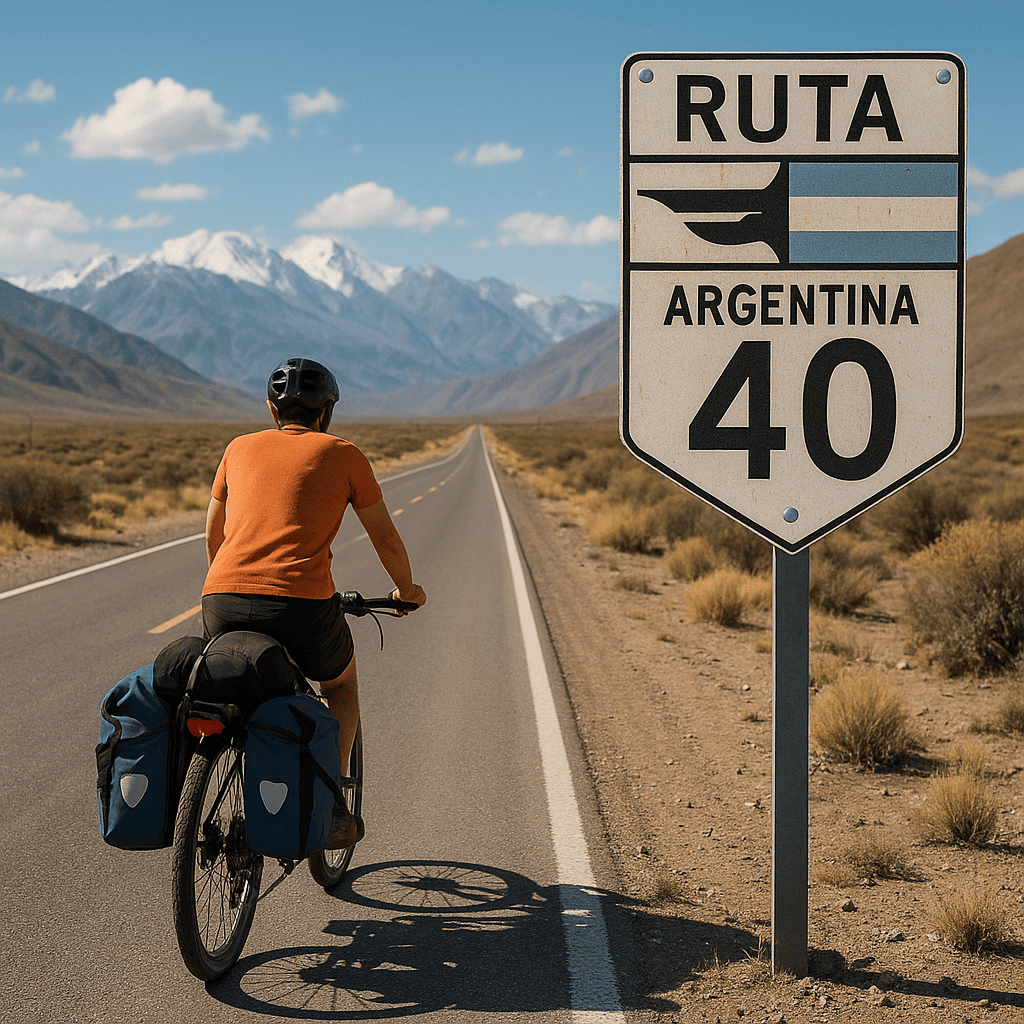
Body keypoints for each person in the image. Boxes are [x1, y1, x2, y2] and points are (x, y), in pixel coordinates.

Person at [201, 357, 426, 849]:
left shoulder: (237, 448)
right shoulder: (343, 454)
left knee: (232, 690)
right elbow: (384, 538)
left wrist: (235, 582)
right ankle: (332, 807)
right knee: (341, 684)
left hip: (221, 596)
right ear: (326, 413)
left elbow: (214, 536)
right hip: (300, 604)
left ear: (271, 408)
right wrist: (406, 591)